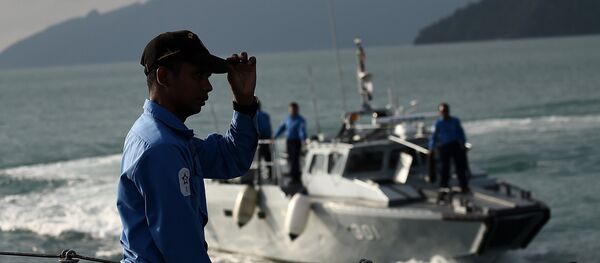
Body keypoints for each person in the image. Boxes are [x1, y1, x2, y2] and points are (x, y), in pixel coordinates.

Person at [116, 30, 258, 263]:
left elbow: (231, 158)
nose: (208, 86)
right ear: (164, 76)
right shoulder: (161, 149)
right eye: (198, 76)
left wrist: (244, 103)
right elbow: (183, 251)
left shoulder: (169, 138)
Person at [428, 103, 470, 193]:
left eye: (445, 111)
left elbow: (460, 133)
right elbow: (434, 137)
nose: (444, 113)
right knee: (444, 167)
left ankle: (464, 186)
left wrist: (463, 143)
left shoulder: (455, 121)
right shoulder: (438, 123)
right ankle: (444, 186)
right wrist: (431, 148)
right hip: (444, 147)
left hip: (455, 145)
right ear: (439, 112)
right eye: (442, 111)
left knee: (460, 167)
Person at [274, 102, 306, 184]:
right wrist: (274, 136)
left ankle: (296, 176)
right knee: (290, 158)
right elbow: (281, 128)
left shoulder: (300, 120)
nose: (293, 111)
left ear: (297, 110)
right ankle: (292, 174)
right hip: (289, 141)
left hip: (296, 141)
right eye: (291, 109)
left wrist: (303, 138)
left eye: (294, 109)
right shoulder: (287, 119)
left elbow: (301, 130)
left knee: (295, 158)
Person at [256, 100, 273, 180]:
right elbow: (268, 128)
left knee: (258, 158)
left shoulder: (255, 115)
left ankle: (257, 175)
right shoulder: (266, 115)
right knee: (267, 157)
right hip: (267, 139)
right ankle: (270, 174)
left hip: (259, 139)